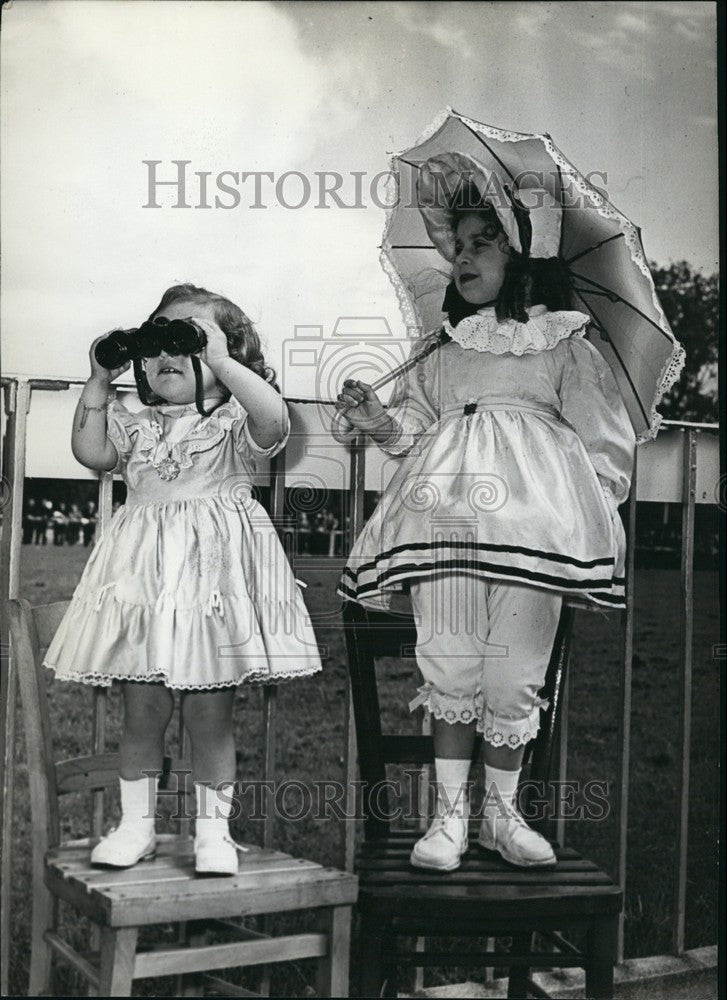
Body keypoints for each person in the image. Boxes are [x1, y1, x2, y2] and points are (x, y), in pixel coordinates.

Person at [332, 153, 635, 873]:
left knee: (512, 675)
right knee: (452, 662)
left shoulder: (565, 344)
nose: (460, 257)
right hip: (447, 527)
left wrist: (577, 518)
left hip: (534, 537)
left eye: (481, 244)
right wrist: (377, 417)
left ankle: (501, 815)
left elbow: (604, 444)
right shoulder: (442, 350)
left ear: (525, 256)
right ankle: (447, 818)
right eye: (457, 245)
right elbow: (409, 437)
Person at [45, 283, 322, 875]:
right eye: (157, 341)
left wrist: (221, 360)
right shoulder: (137, 424)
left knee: (208, 716)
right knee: (141, 711)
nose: (167, 355)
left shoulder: (230, 424)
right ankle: (136, 824)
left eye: (187, 341)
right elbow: (89, 451)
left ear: (228, 359)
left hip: (208, 592)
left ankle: (213, 831)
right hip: (145, 589)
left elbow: (274, 420)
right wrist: (99, 381)